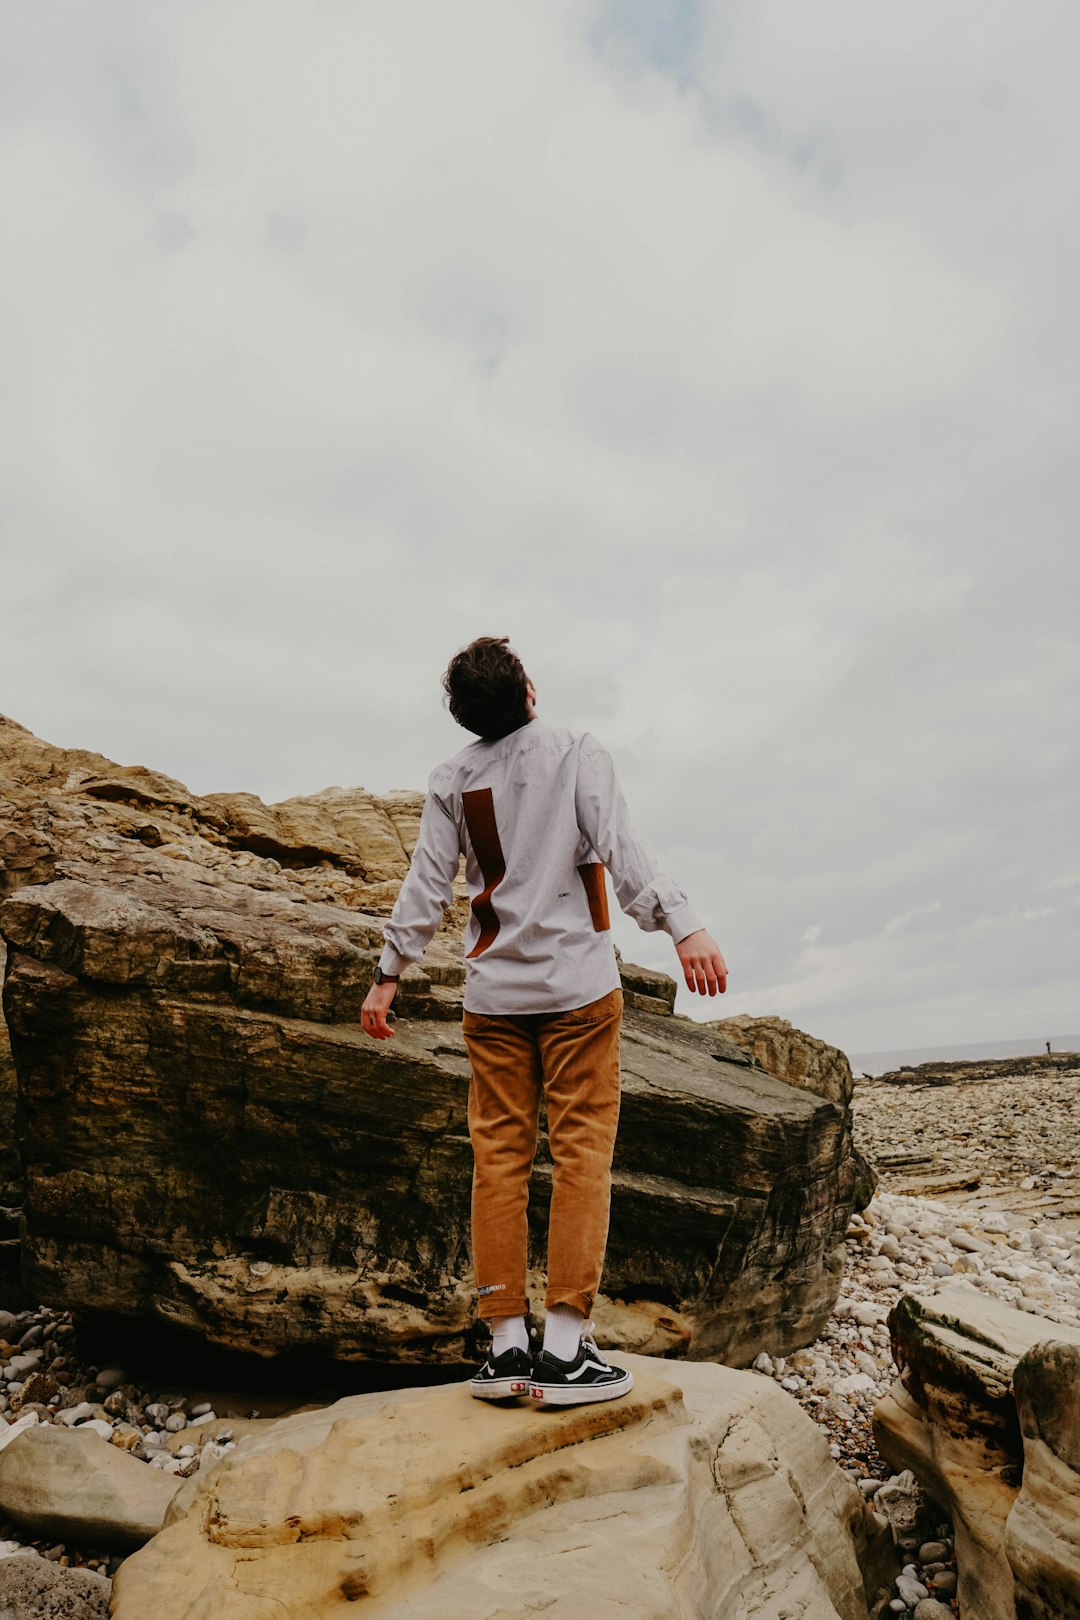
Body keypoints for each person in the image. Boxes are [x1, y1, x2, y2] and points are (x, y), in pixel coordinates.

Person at [359, 636, 727, 1406]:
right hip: (578, 992)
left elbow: (426, 885)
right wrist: (683, 925)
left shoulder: (451, 779)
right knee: (583, 1154)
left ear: (465, 716)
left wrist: (388, 974)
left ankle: (503, 1348)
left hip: (493, 997)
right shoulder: (575, 752)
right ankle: (563, 1351)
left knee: (498, 1158)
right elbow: (622, 850)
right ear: (527, 689)